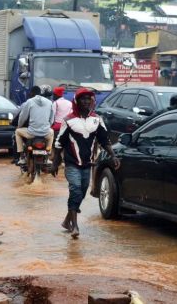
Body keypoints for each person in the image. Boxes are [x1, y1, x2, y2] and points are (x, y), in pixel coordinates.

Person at [51, 88, 120, 239]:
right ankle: (74, 226)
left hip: (88, 165)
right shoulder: (68, 120)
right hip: (71, 164)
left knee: (81, 192)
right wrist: (55, 163)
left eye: (89, 99)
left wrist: (113, 156)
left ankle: (67, 220)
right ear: (76, 101)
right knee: (75, 190)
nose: (86, 102)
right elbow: (59, 144)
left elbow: (104, 140)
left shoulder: (97, 120)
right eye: (83, 99)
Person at [15, 86, 54, 165]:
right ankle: (48, 156)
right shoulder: (49, 102)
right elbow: (51, 119)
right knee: (52, 132)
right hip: (45, 133)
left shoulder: (29, 101)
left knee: (17, 132)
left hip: (31, 133)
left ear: (32, 93)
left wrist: (19, 126)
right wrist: (47, 126)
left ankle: (22, 156)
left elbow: (23, 117)